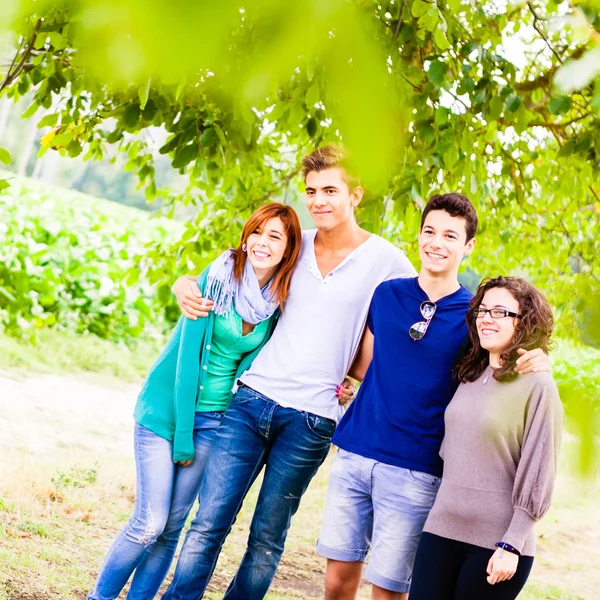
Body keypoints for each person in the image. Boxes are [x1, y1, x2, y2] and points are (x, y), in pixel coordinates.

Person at [161, 144, 417, 600]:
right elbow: (229, 270)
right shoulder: (292, 245)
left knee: (266, 541)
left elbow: (410, 327)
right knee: (207, 525)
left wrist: (360, 375)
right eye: (311, 191)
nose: (318, 200)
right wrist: (184, 285)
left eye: (330, 190)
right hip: (250, 399)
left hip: (312, 419)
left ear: (355, 195)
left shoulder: (387, 261)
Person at [319, 194, 551, 600]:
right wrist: (351, 385)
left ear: (468, 245)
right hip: (356, 451)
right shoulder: (387, 295)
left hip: (417, 468)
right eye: (429, 231)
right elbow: (368, 362)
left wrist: (540, 359)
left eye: (450, 235)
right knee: (337, 581)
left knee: (388, 590)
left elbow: (499, 363)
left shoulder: (474, 315)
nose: (436, 242)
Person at [87, 202, 302, 600]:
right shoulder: (219, 276)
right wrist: (184, 435)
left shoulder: (277, 304)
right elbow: (188, 359)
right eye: (257, 231)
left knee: (172, 528)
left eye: (275, 236)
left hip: (217, 421)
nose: (261, 242)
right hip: (166, 412)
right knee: (149, 522)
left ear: (289, 250)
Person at [409, 276, 562, 600]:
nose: (487, 318)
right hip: (441, 528)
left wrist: (512, 543)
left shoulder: (538, 385)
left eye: (500, 312)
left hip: (497, 543)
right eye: (483, 310)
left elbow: (539, 472)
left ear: (524, 322)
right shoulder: (468, 373)